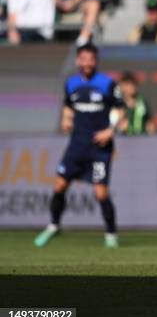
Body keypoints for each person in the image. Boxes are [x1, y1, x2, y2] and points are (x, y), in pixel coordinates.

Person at [34, 43, 124, 248]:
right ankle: (54, 225)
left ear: (96, 61)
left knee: (101, 193)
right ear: (78, 61)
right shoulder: (71, 83)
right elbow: (68, 106)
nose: (87, 63)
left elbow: (120, 110)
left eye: (91, 59)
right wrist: (66, 120)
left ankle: (111, 234)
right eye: (84, 59)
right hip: (77, 146)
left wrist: (110, 131)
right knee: (59, 185)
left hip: (99, 149)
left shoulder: (107, 83)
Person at [118, 71, 155, 135]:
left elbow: (149, 123)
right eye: (128, 84)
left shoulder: (142, 102)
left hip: (142, 140)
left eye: (134, 84)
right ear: (122, 86)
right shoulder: (118, 103)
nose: (132, 87)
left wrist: (152, 136)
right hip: (124, 141)